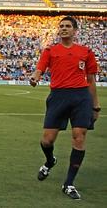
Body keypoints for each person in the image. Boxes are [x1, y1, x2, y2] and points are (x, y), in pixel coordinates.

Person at [30, 16, 100, 200]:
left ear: (75, 30)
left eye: (68, 26)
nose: (63, 28)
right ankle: (50, 161)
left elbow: (91, 80)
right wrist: (35, 77)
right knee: (47, 141)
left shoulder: (86, 51)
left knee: (79, 136)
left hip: (81, 97)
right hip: (59, 97)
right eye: (61, 26)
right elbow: (40, 69)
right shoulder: (50, 50)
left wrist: (96, 106)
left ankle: (69, 184)